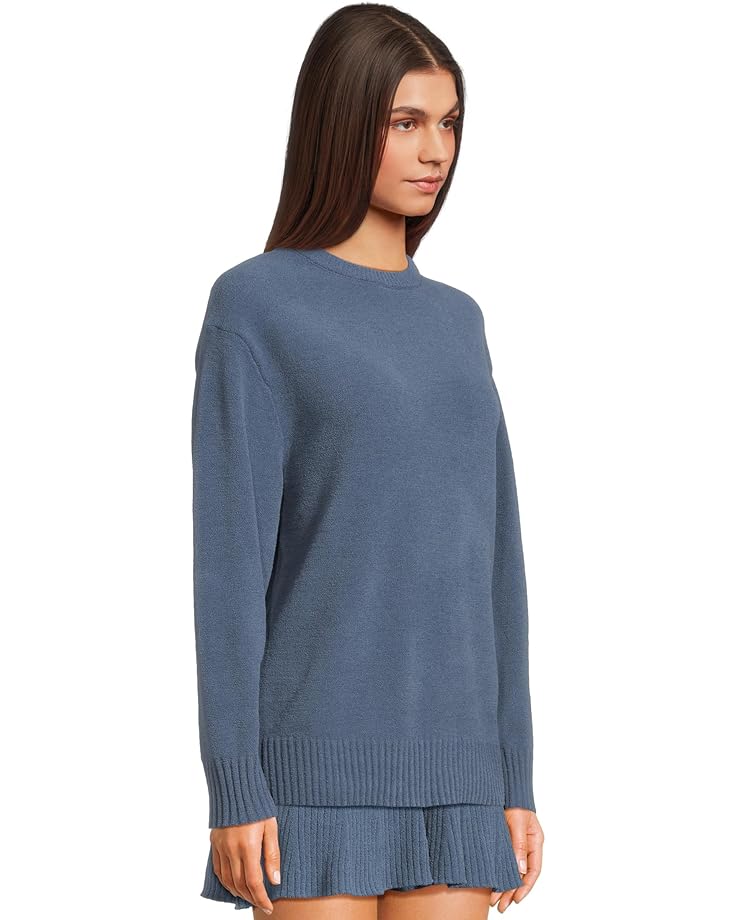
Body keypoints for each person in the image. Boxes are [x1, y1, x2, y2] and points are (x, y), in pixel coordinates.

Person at [191, 4, 545, 917]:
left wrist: (515, 774)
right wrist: (234, 784)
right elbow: (229, 568)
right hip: (309, 773)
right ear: (342, 122)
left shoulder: (458, 320)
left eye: (449, 122)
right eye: (406, 122)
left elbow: (496, 561)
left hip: (460, 773)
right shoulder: (256, 307)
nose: (437, 151)